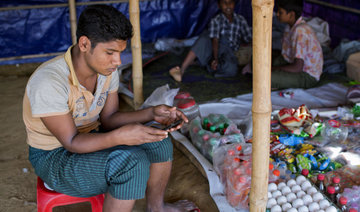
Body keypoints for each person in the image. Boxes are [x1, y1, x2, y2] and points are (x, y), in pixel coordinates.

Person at [23, 5, 198, 212]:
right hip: (55, 157)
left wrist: (151, 113)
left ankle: (156, 208)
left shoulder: (106, 71)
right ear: (85, 44)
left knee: (159, 142)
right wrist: (121, 137)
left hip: (92, 135)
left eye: (120, 52)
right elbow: (71, 142)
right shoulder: (49, 81)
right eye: (110, 52)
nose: (117, 62)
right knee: (131, 163)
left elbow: (110, 118)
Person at [242, 0, 323, 89]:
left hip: (307, 75)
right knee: (264, 60)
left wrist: (274, 69)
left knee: (266, 78)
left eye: (280, 12)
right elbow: (286, 54)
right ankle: (275, 78)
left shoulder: (300, 31)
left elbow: (298, 67)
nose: (277, 14)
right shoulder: (289, 26)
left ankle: (274, 80)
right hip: (292, 62)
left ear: (291, 14)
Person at [169, 0, 252, 82]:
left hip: (229, 53)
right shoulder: (216, 20)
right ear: (219, 6)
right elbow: (215, 40)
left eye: (230, 2)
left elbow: (248, 38)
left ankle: (208, 64)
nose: (228, 5)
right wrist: (215, 58)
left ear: (234, 4)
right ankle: (182, 70)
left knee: (231, 70)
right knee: (204, 38)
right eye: (224, 3)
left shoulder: (240, 20)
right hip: (215, 49)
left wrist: (250, 61)